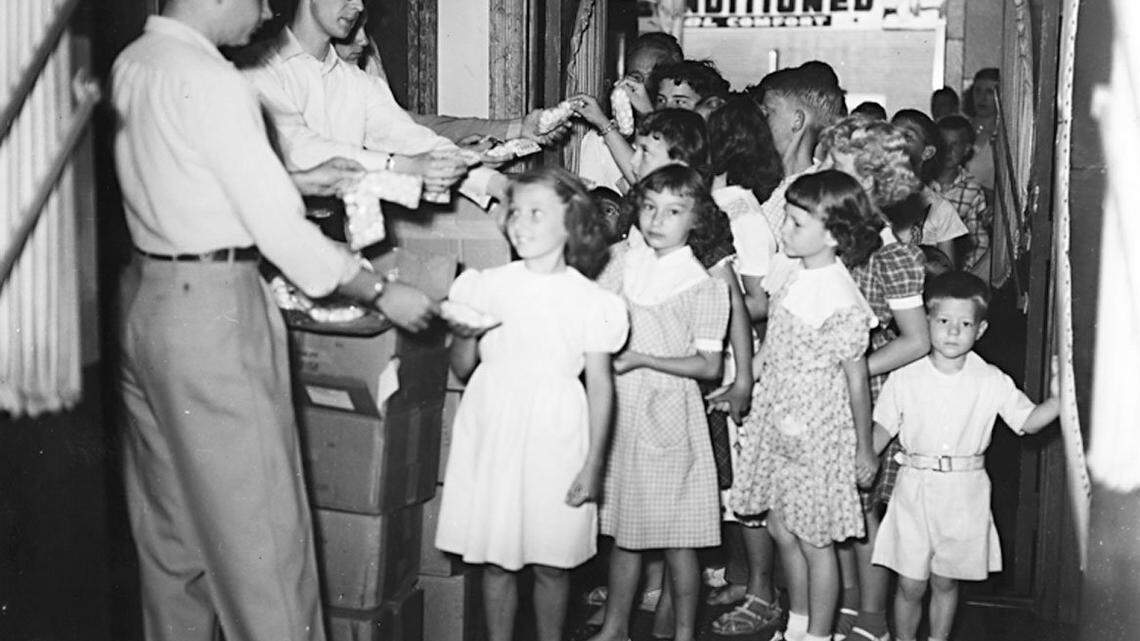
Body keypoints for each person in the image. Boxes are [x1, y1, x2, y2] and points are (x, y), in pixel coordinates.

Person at [110, 2, 437, 640]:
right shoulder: (218, 82)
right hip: (214, 309)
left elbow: (191, 171)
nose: (265, 12)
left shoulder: (136, 62)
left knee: (173, 541)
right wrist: (379, 291)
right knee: (265, 546)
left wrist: (298, 177)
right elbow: (284, 235)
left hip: (146, 301)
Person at [435, 168, 628, 641]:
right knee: (496, 559)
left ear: (573, 223)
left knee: (552, 560)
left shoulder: (590, 300)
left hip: (556, 433)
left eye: (537, 213)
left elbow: (600, 385)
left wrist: (593, 463)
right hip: (494, 426)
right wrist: (463, 335)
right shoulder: (486, 285)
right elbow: (462, 367)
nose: (520, 223)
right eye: (515, 211)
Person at [731, 170, 882, 641]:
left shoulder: (839, 293)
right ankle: (797, 622)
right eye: (787, 220)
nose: (785, 231)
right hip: (779, 418)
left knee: (816, 540)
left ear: (834, 235)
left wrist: (864, 449)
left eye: (797, 225)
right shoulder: (793, 274)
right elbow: (772, 347)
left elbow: (857, 380)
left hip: (818, 428)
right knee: (780, 526)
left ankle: (818, 634)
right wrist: (742, 381)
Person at [871, 271, 1060, 641]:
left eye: (965, 323)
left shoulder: (990, 380)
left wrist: (1059, 400)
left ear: (981, 329)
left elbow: (1029, 421)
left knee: (945, 583)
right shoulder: (905, 377)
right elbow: (881, 430)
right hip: (914, 490)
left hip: (964, 494)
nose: (953, 332)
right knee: (910, 584)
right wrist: (858, 460)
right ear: (927, 322)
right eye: (943, 321)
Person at [589, 165, 731, 641]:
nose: (656, 220)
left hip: (669, 412)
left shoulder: (702, 282)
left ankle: (686, 632)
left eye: (673, 211)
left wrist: (642, 358)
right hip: (622, 408)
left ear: (696, 219)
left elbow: (709, 366)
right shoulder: (621, 261)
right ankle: (615, 628)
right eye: (649, 207)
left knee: (677, 540)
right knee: (626, 534)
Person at [818, 115, 930, 641]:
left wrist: (853, 369)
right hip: (823, 380)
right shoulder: (831, 241)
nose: (822, 175)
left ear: (871, 184)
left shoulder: (892, 254)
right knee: (833, 506)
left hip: (866, 386)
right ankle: (843, 605)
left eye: (835, 170)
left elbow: (917, 339)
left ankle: (873, 618)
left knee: (862, 512)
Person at [703, 94, 786, 637]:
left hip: (739, 360)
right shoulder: (706, 201)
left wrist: (708, 307)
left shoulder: (743, 213)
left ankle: (764, 592)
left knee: (747, 486)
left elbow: (760, 300)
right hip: (710, 354)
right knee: (724, 481)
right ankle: (739, 575)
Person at [331, 9, 569, 145]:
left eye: (364, 27)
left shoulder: (363, 60)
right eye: (352, 28)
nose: (363, 40)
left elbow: (406, 124)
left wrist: (518, 128)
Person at [577, 32, 684, 194]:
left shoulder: (689, 138)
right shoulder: (599, 142)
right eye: (635, 76)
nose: (642, 86)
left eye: (654, 77)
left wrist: (648, 114)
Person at [750, 65, 847, 237]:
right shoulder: (770, 183)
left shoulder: (814, 197)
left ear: (797, 120)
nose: (758, 123)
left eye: (767, 113)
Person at [890, 109, 969, 265]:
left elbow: (946, 276)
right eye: (891, 134)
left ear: (927, 152)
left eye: (907, 137)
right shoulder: (873, 198)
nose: (895, 142)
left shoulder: (940, 209)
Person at [933, 115, 990, 272]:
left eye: (954, 145)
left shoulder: (972, 189)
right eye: (943, 144)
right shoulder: (923, 183)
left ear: (966, 149)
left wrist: (967, 272)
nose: (948, 151)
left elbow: (979, 241)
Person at [962, 68, 1000, 196]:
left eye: (989, 92)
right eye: (977, 90)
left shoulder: (1001, 137)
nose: (982, 98)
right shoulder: (961, 128)